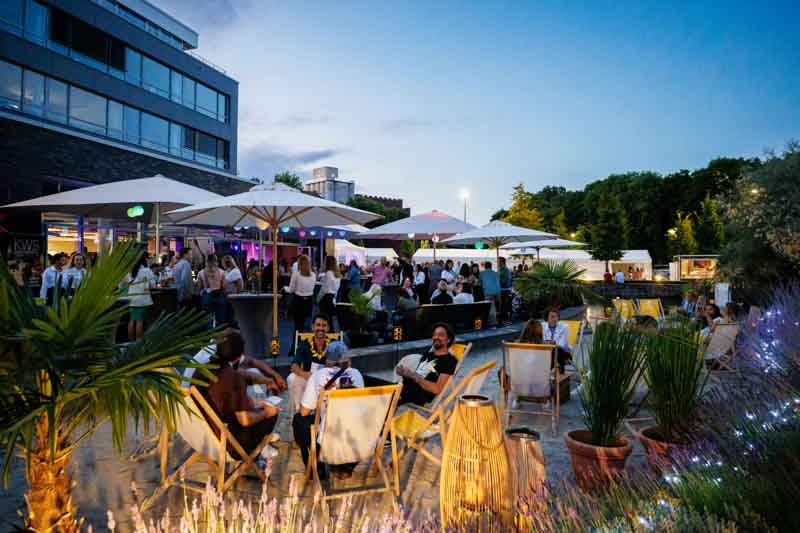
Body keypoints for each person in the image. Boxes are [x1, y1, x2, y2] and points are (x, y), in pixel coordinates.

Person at [201, 331, 280, 462]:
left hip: (204, 437)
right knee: (271, 413)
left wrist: (255, 403)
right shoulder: (232, 378)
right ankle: (254, 457)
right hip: (230, 444)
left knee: (258, 407)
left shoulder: (202, 370)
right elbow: (244, 420)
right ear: (238, 356)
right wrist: (266, 413)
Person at [292, 342, 364, 479]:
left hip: (329, 441)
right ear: (347, 360)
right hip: (356, 439)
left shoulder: (319, 375)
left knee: (299, 419)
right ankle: (344, 467)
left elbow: (304, 412)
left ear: (327, 361)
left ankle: (316, 469)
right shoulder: (357, 375)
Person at [395, 323, 459, 406]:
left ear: (449, 339)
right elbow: (418, 375)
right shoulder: (428, 354)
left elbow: (437, 389)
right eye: (435, 334)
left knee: (379, 392)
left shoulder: (449, 360)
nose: (436, 337)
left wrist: (413, 376)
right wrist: (404, 373)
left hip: (416, 396)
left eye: (441, 335)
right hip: (404, 388)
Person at [288, 314, 334, 416]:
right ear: (312, 327)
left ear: (328, 328)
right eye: (318, 325)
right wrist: (305, 374)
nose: (321, 328)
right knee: (292, 378)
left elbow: (344, 364)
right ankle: (298, 414)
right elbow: (294, 365)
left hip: (328, 383)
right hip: (309, 380)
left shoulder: (334, 344)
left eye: (324, 325)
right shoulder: (305, 344)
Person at [286, 255, 316, 350]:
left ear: (300, 264)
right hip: (309, 303)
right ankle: (305, 347)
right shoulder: (313, 275)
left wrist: (284, 288)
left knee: (298, 327)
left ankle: (295, 348)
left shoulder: (296, 275)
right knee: (306, 327)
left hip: (298, 302)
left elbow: (290, 290)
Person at [125, 255, 156, 341]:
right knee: (140, 321)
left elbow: (124, 284)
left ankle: (131, 341)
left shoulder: (130, 271)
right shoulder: (147, 270)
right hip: (143, 299)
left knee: (132, 320)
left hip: (131, 299)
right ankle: (138, 342)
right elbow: (152, 285)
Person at [197, 254, 226, 328]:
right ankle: (220, 337)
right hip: (219, 296)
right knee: (220, 318)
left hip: (206, 296)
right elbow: (224, 287)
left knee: (207, 319)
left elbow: (200, 287)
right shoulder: (222, 272)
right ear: (216, 261)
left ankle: (208, 337)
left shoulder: (201, 273)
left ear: (206, 261)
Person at [541, 307, 572, 372]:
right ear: (547, 318)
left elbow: (562, 344)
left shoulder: (564, 327)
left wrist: (549, 343)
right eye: (552, 317)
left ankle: (547, 372)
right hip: (546, 352)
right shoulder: (542, 326)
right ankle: (547, 372)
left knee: (555, 349)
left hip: (562, 354)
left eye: (556, 317)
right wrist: (548, 343)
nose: (555, 319)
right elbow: (541, 340)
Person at [318, 256, 341, 325]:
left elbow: (324, 289)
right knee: (329, 321)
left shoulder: (328, 273)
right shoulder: (337, 274)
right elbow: (336, 288)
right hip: (332, 298)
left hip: (326, 299)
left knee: (325, 322)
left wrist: (318, 298)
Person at [498, 257, 512, 324]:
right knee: (502, 305)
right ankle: (503, 319)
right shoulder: (501, 269)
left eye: (498, 261)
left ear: (502, 262)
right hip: (502, 290)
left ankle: (505, 319)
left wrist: (499, 279)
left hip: (505, 290)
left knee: (504, 305)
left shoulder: (505, 270)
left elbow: (506, 281)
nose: (497, 263)